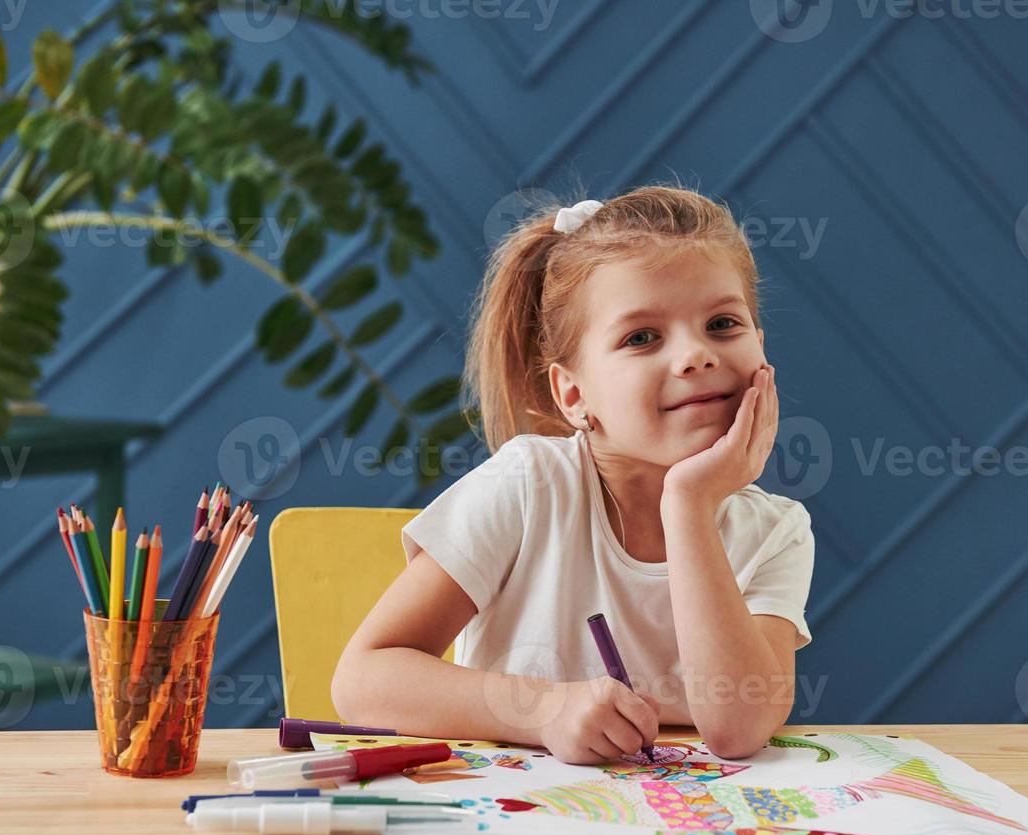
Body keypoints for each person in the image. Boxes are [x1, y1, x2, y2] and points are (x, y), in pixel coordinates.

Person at [332, 183, 815, 762]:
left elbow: (738, 729)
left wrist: (688, 504)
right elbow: (364, 679)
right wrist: (545, 710)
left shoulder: (776, 530)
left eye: (723, 324)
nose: (696, 355)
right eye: (642, 337)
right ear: (573, 394)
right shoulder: (529, 485)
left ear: (761, 352)